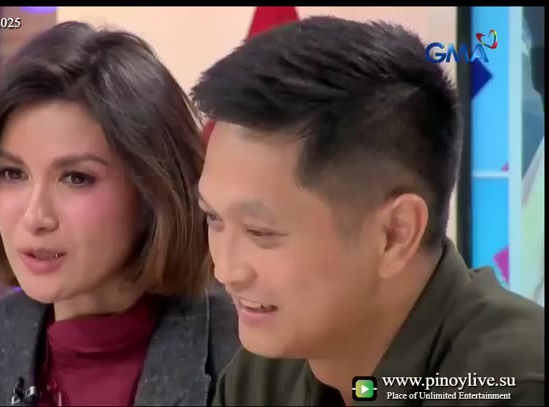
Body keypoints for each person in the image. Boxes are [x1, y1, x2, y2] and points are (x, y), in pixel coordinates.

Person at [191, 16, 544, 406]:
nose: (226, 271)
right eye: (214, 218)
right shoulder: (263, 373)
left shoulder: (513, 385)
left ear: (395, 234)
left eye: (260, 231)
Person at [0, 21, 239, 406]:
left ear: (151, 190)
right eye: (13, 174)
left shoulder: (252, 367)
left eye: (76, 178)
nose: (35, 216)